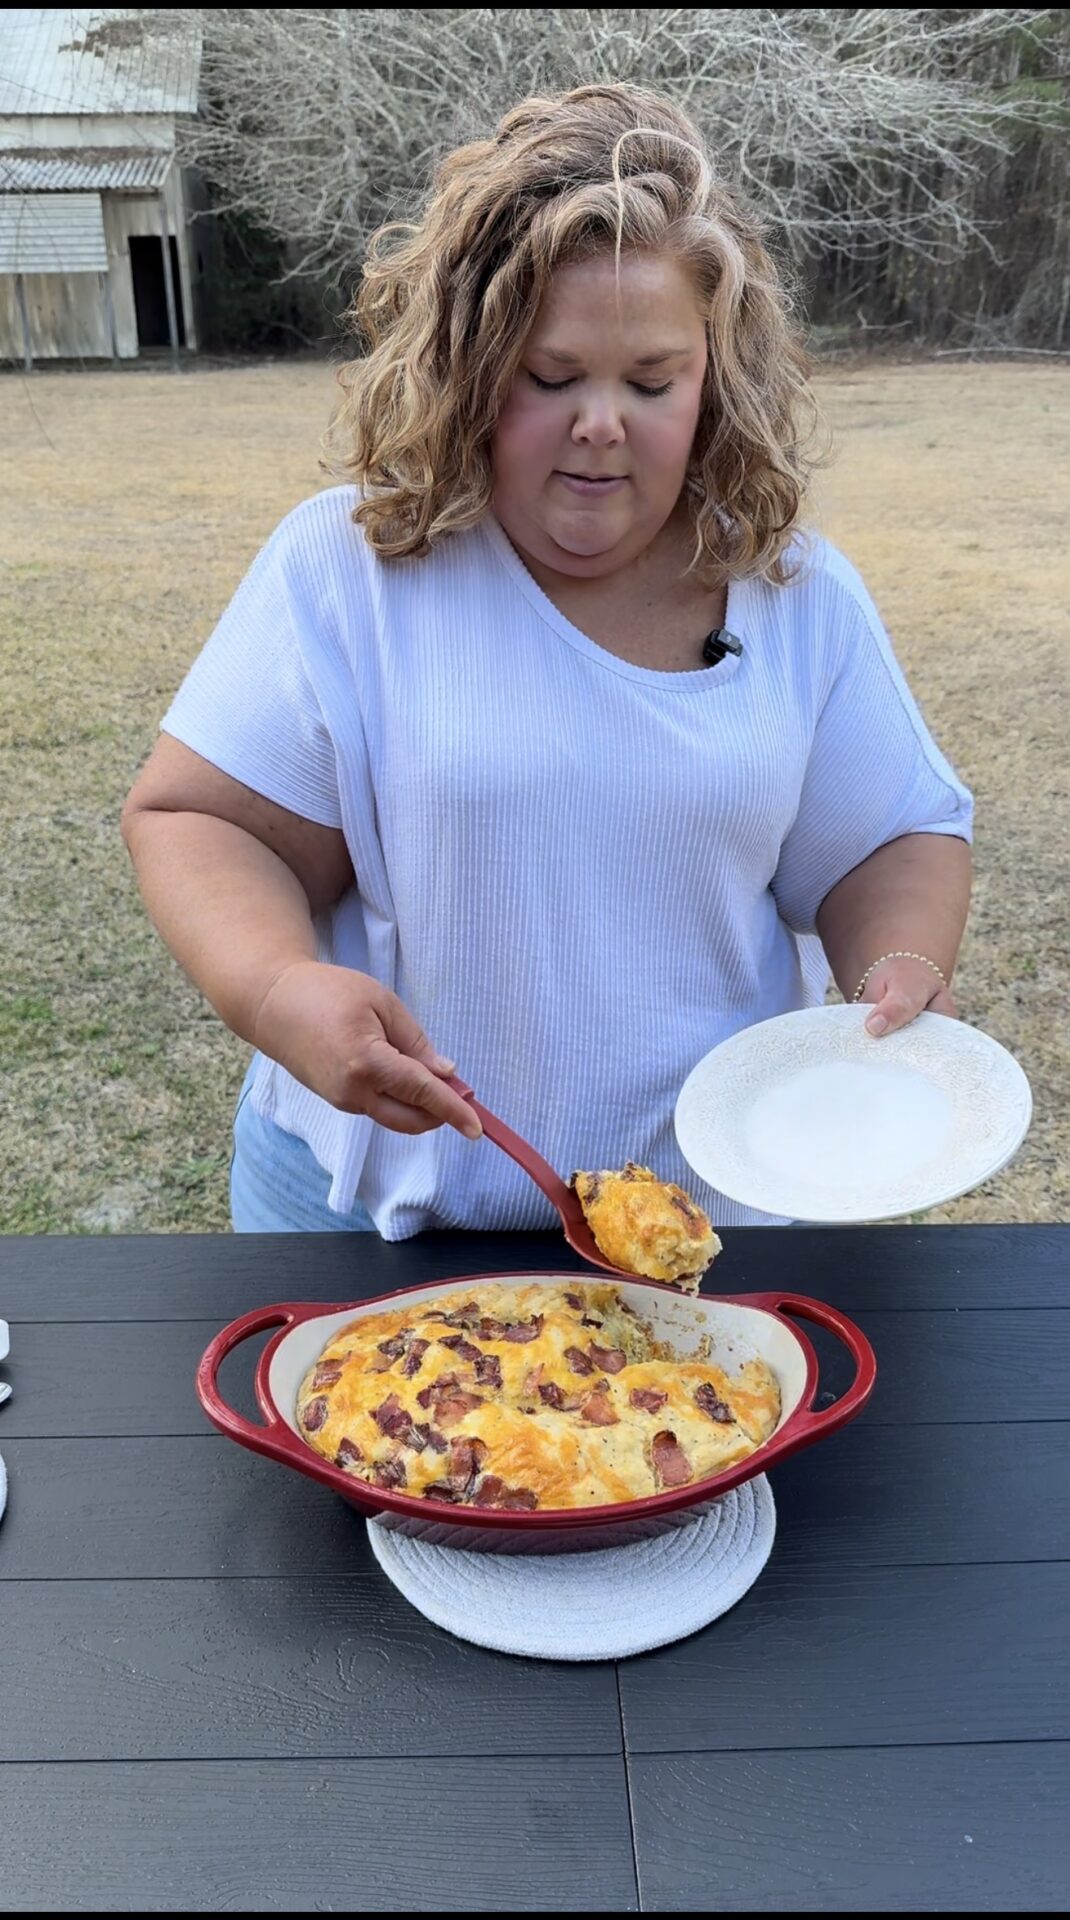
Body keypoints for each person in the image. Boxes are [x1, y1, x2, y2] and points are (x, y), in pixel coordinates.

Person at [121, 83, 972, 1238]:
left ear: (714, 379)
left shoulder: (794, 594)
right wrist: (279, 989)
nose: (601, 423)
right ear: (471, 369)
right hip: (365, 1224)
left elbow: (885, 840)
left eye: (651, 381)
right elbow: (200, 819)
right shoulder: (351, 568)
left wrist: (894, 962)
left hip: (700, 1229)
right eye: (552, 376)